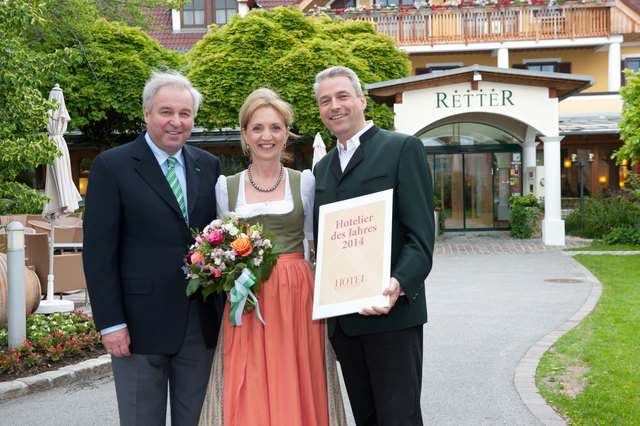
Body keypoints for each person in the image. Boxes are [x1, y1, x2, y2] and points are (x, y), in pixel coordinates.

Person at [83, 70, 225, 425]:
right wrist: (111, 323)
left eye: (185, 113)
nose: (176, 122)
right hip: (137, 327)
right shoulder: (111, 167)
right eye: (166, 112)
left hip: (199, 325)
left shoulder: (208, 166)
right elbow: (99, 254)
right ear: (146, 114)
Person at [198, 88, 346, 426]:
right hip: (249, 296)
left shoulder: (305, 182)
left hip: (297, 296)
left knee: (298, 373)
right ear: (246, 135)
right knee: (248, 377)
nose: (268, 136)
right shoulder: (226, 186)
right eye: (258, 128)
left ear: (287, 133)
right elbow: (222, 245)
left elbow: (316, 245)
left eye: (276, 127)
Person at [312, 66, 435, 425]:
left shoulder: (402, 149)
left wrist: (397, 283)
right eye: (325, 101)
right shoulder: (320, 170)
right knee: (365, 419)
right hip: (346, 325)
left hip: (392, 316)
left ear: (361, 100)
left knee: (399, 418)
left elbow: (421, 238)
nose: (334, 106)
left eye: (342, 96)